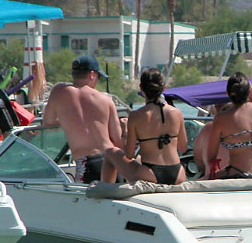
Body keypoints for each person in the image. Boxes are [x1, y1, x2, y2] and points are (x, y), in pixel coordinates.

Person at [43, 55, 123, 184]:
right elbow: (118, 140)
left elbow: (48, 122)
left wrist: (68, 122)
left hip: (86, 162)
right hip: (111, 160)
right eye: (98, 77)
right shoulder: (105, 100)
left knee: (84, 202)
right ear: (92, 74)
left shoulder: (58, 92)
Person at [102, 68, 187, 185]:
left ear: (141, 89)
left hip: (149, 173)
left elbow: (129, 155)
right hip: (177, 173)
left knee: (110, 153)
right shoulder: (177, 113)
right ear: (164, 88)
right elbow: (183, 147)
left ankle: (105, 193)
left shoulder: (136, 116)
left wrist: (125, 130)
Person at [207, 72, 252, 179]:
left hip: (239, 176)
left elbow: (211, 156)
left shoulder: (222, 118)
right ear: (249, 91)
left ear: (227, 93)